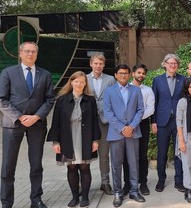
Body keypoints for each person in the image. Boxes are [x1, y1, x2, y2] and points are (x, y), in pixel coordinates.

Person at [0, 42, 55, 208]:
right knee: (8, 165)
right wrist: (20, 117)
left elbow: (50, 99)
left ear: (37, 54)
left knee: (36, 164)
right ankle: (6, 202)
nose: (30, 54)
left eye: (34, 51)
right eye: (27, 51)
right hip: (13, 124)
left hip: (37, 125)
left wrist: (36, 116)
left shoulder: (45, 74)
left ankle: (36, 199)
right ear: (20, 53)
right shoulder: (8, 72)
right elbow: (0, 99)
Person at [47, 71, 101, 208]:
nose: (79, 84)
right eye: (76, 81)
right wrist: (55, 141)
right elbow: (56, 121)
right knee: (71, 167)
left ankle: (85, 197)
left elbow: (95, 121)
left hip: (85, 136)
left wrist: (96, 140)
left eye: (82, 82)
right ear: (71, 82)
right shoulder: (61, 100)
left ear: (85, 84)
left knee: (84, 167)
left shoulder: (90, 100)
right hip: (67, 137)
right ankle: (75, 197)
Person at [103, 65, 145, 207]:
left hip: (133, 132)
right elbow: (108, 112)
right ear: (115, 75)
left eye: (126, 73)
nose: (123, 75)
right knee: (116, 164)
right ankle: (118, 193)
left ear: (129, 75)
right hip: (116, 133)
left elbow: (140, 109)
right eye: (120, 73)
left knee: (134, 162)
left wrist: (131, 126)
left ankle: (134, 190)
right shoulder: (109, 91)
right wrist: (122, 128)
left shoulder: (136, 90)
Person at [151, 54, 186, 192]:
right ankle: (161, 180)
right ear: (164, 64)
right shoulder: (157, 80)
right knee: (162, 153)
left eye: (175, 63)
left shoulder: (183, 79)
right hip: (162, 121)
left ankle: (179, 180)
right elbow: (154, 102)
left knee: (179, 151)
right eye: (170, 63)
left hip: (179, 122)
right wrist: (153, 121)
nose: (173, 65)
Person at [122, 64, 155, 196]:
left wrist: (136, 120)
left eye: (143, 73)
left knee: (142, 155)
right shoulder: (125, 89)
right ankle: (127, 183)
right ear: (133, 73)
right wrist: (130, 122)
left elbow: (150, 108)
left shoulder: (148, 90)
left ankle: (143, 182)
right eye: (139, 72)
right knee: (127, 156)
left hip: (142, 124)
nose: (141, 75)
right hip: (127, 126)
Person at [86, 53, 116, 195]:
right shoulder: (83, 79)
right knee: (84, 153)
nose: (98, 66)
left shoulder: (110, 79)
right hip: (87, 122)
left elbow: (114, 99)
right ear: (90, 64)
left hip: (105, 122)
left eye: (101, 63)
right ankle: (83, 185)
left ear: (104, 65)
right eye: (96, 63)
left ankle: (105, 182)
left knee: (104, 154)